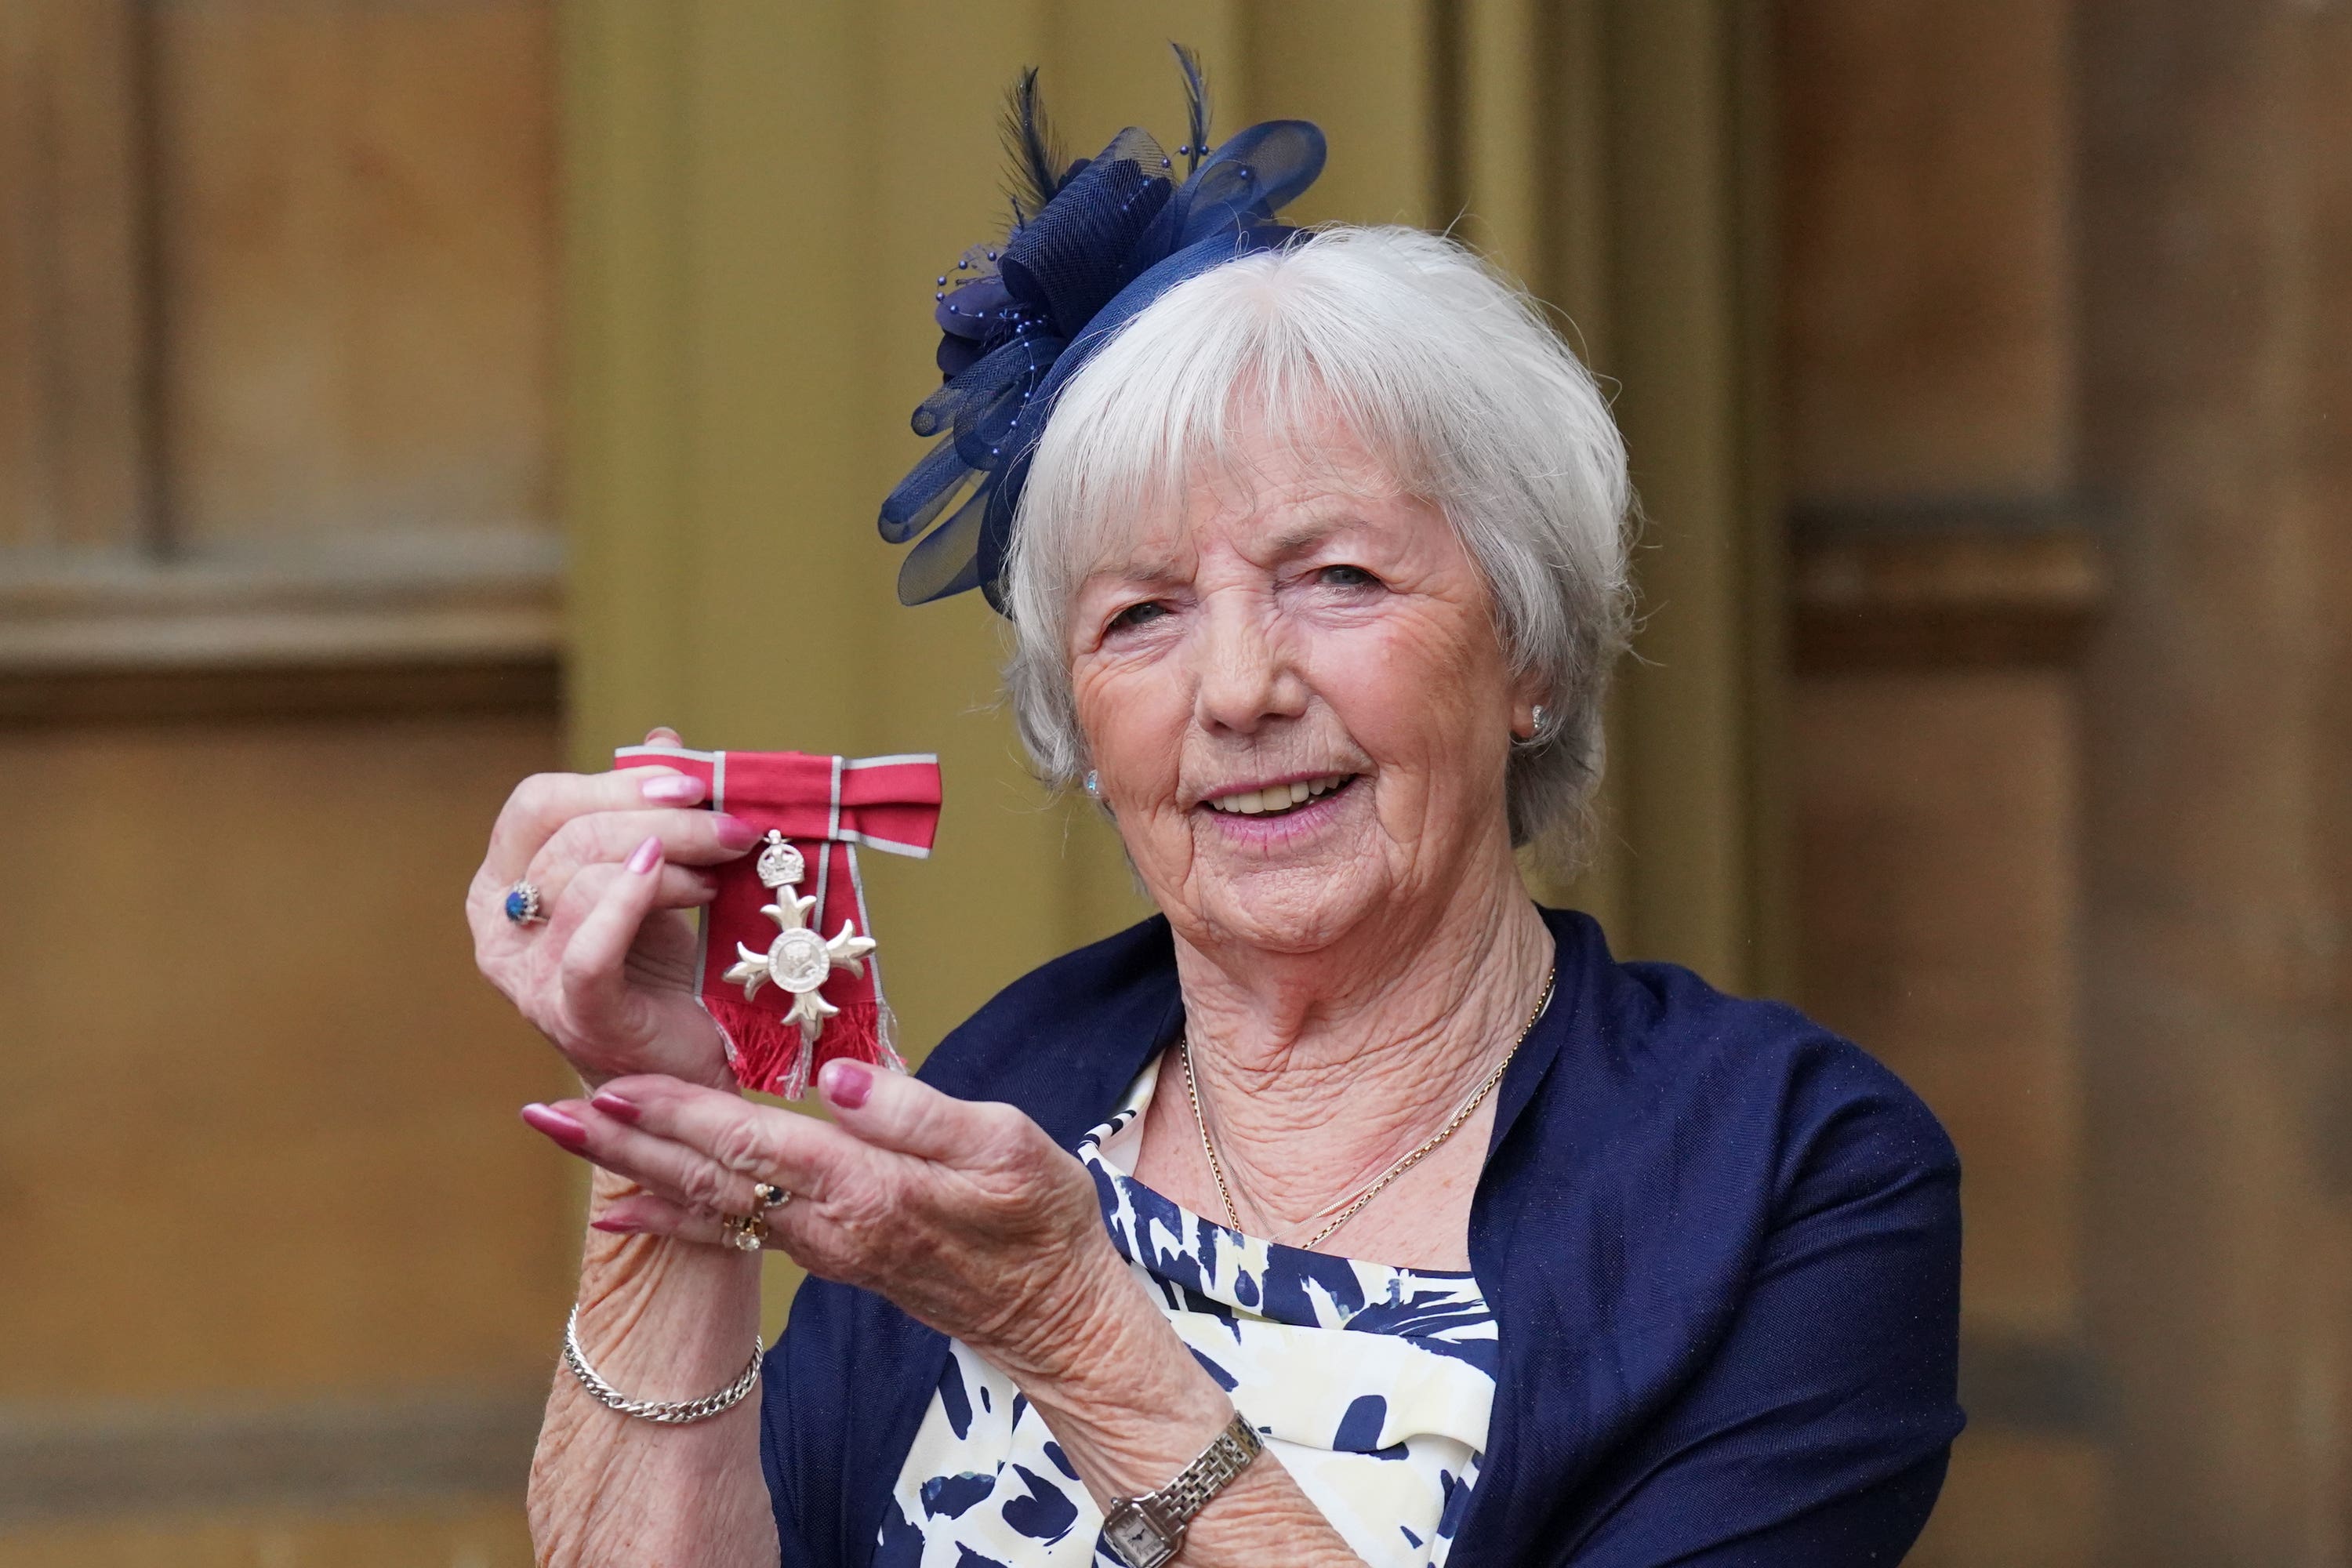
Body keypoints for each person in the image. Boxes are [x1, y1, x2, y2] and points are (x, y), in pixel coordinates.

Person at [470, 63, 1961, 1568]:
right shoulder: (1014, 1084)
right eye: (1143, 615)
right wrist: (673, 1148)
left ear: (1529, 653)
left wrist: (1071, 1333)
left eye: (1339, 579)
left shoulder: (1791, 1178)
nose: (1239, 687)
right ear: (1082, 724)